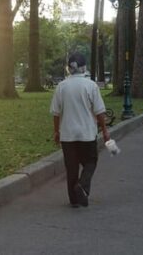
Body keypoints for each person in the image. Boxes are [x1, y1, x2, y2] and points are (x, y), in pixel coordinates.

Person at [50, 53, 110, 208]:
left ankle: (74, 200)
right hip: (87, 134)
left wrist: (56, 132)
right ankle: (82, 185)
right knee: (90, 161)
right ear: (84, 67)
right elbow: (99, 112)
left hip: (67, 134)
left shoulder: (61, 86)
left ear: (69, 68)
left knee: (71, 167)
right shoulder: (90, 85)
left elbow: (56, 113)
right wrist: (104, 129)